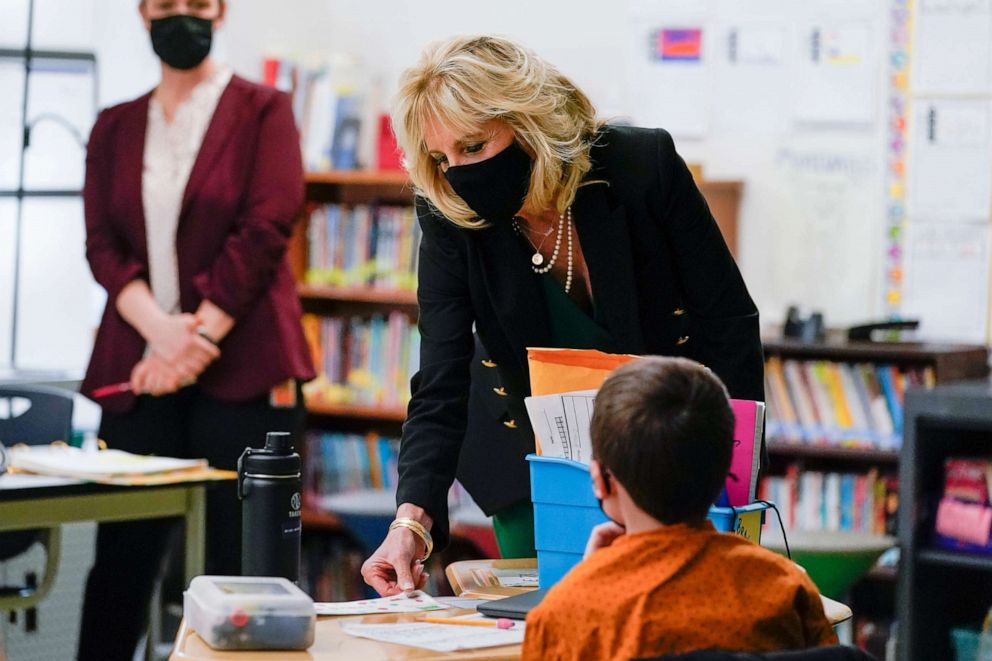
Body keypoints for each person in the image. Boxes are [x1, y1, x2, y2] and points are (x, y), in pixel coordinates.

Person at [361, 35, 764, 596]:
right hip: (529, 465)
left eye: (474, 146)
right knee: (550, 622)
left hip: (662, 452)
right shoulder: (449, 213)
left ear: (528, 122)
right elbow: (440, 377)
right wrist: (411, 523)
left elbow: (728, 324)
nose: (458, 173)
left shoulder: (639, 167)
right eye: (441, 157)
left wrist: (734, 485)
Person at [77, 1, 314, 658]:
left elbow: (265, 230)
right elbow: (101, 244)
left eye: (197, 4)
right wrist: (161, 332)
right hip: (139, 366)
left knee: (239, 569)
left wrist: (193, 341)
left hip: (242, 365)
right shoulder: (113, 125)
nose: (182, 14)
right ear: (143, 12)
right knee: (120, 565)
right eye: (167, 4)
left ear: (220, 11)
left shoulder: (264, 110)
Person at [521, 357, 837, 660]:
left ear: (601, 481)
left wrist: (587, 580)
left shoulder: (563, 616)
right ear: (726, 466)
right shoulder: (785, 588)